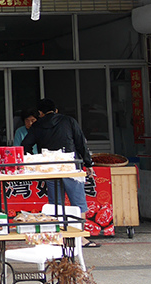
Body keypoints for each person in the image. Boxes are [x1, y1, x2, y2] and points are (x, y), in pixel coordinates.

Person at [22, 97, 96, 238]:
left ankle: (58, 236)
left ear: (40, 113)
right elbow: (81, 143)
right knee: (78, 202)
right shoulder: (69, 121)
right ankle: (80, 238)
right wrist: (88, 163)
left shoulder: (37, 126)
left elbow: (25, 145)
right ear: (56, 110)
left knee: (56, 204)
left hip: (50, 168)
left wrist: (34, 160)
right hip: (71, 167)